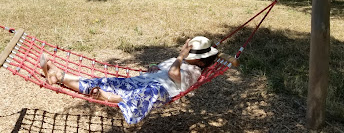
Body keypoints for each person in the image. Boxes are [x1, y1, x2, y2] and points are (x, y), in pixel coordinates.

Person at [40, 36, 218, 124]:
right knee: (109, 81)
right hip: (146, 80)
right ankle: (59, 76)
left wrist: (180, 56)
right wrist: (156, 67)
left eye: (191, 54)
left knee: (148, 93)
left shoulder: (194, 70)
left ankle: (110, 98)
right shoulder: (184, 61)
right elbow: (163, 67)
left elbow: (173, 74)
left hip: (160, 91)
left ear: (201, 61)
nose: (187, 55)